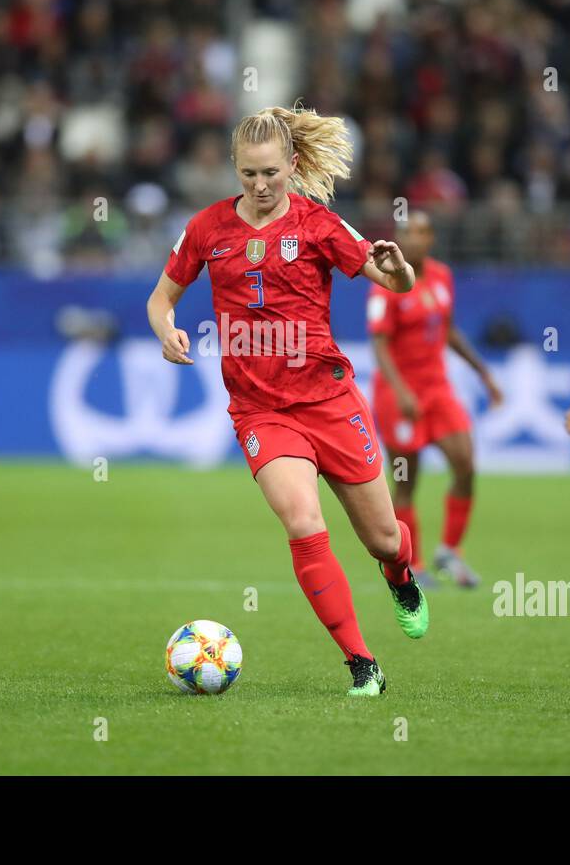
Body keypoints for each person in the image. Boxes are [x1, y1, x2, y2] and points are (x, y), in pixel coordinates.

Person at [146, 105, 428, 696]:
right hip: (260, 410)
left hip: (328, 398)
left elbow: (394, 283)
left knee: (381, 537)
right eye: (248, 174)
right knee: (302, 521)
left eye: (271, 172)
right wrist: (166, 329)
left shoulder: (320, 225)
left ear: (293, 165)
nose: (260, 185)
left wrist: (400, 273)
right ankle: (362, 663)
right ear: (234, 169)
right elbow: (160, 299)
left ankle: (400, 574)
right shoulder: (206, 229)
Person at [367, 209, 502, 589]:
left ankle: (449, 551)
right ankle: (415, 564)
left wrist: (484, 373)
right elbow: (379, 346)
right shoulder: (386, 284)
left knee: (466, 464)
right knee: (406, 480)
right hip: (399, 394)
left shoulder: (442, 276)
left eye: (422, 232)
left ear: (430, 239)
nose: (415, 239)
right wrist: (401, 391)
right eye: (407, 232)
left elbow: (449, 331)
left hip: (438, 389)